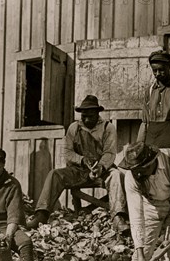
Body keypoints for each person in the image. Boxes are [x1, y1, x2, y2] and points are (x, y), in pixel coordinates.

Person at [26, 95, 130, 234]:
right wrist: (81, 159)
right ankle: (42, 213)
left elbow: (110, 153)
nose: (87, 119)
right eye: (84, 116)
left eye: (90, 116)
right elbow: (68, 152)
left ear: (97, 114)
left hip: (101, 171)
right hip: (79, 171)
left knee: (117, 176)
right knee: (54, 175)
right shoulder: (74, 128)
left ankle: (118, 217)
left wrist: (101, 166)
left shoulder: (108, 127)